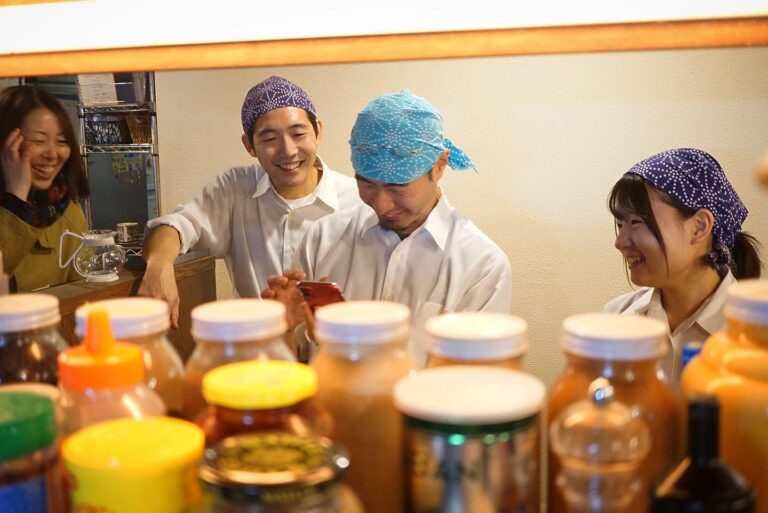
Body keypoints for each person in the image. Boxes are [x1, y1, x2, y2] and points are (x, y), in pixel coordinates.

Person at [263, 90, 512, 365]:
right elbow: (293, 366)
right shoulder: (321, 238)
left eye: (397, 186)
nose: (382, 205)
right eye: (366, 184)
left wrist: (348, 348)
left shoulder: (482, 265)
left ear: (439, 166)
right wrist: (282, 329)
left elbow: (474, 381)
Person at [139, 76, 360, 327]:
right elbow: (177, 226)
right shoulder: (235, 189)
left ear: (318, 130)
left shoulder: (357, 200)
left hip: (338, 346)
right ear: (249, 145)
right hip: (258, 346)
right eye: (269, 139)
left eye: (298, 134)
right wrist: (159, 265)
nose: (288, 150)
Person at [604, 147, 762, 381]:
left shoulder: (755, 334)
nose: (620, 242)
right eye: (620, 224)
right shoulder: (616, 317)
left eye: (636, 222)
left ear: (699, 227)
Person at [0, 86, 90, 292]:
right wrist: (16, 200)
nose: (52, 154)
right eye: (38, 141)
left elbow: (79, 295)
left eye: (61, 141)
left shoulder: (66, 211)